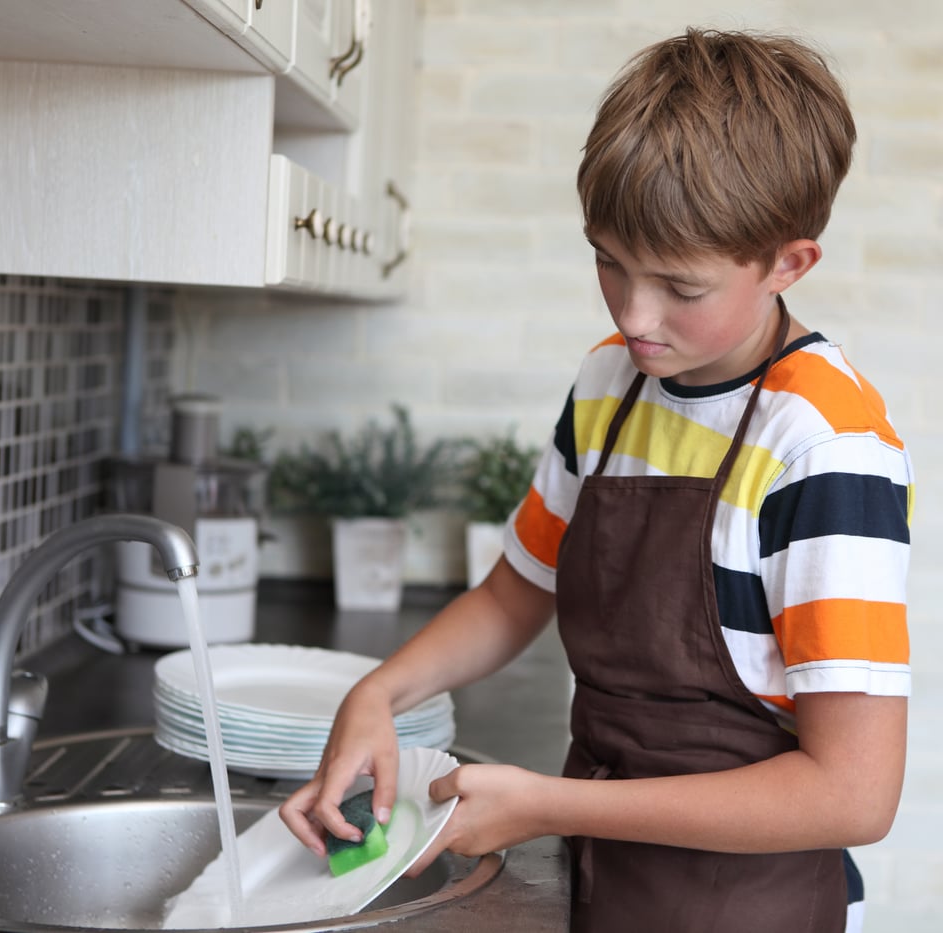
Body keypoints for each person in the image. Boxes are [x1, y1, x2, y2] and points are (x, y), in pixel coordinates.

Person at [280, 28, 912, 933]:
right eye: (608, 261)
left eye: (679, 286)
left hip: (747, 909)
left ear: (788, 262)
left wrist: (549, 804)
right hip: (602, 879)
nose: (635, 315)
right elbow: (514, 593)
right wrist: (376, 694)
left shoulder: (825, 446)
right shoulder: (610, 382)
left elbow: (853, 794)